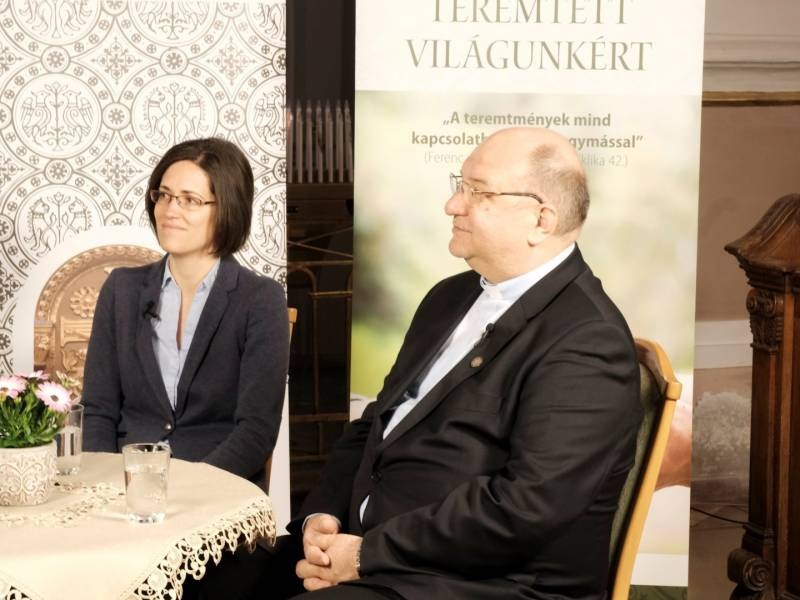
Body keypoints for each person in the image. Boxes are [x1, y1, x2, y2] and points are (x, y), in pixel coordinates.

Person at [270, 126, 642, 600]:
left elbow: (524, 508)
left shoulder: (588, 341)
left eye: (478, 192)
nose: (452, 205)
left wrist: (365, 556)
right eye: (459, 185)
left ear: (541, 220)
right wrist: (322, 518)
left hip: (488, 585)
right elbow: (378, 423)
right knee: (211, 577)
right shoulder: (448, 297)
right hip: (379, 555)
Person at [82, 137, 289, 485]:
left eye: (190, 200)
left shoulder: (260, 299)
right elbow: (98, 412)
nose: (170, 210)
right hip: (125, 486)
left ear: (228, 208)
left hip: (215, 490)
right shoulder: (121, 289)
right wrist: (107, 485)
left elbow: (256, 432)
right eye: (163, 195)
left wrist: (185, 489)